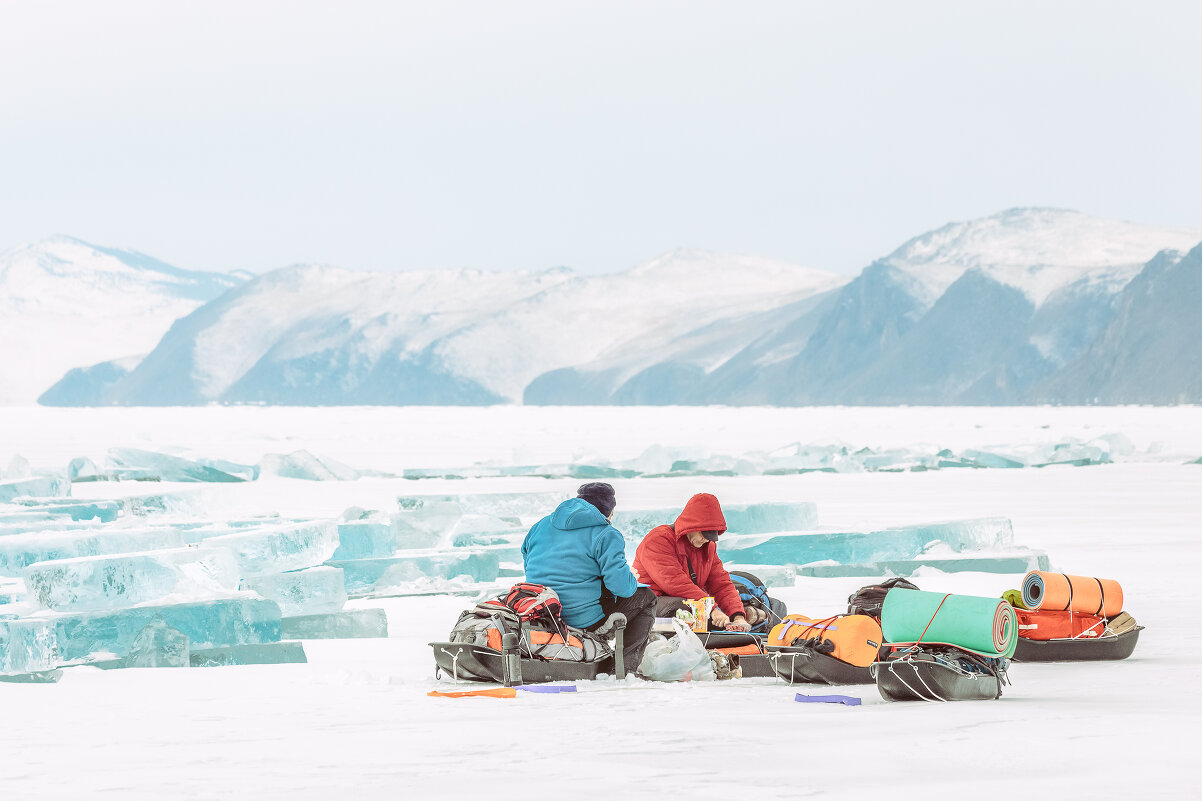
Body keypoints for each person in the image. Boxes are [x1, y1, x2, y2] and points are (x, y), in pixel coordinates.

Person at [521, 481, 657, 671]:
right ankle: (623, 668)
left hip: (541, 612)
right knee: (647, 598)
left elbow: (529, 563)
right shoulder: (605, 533)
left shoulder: (540, 526)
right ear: (609, 511)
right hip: (580, 619)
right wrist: (630, 577)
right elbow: (622, 587)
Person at [632, 492, 756, 632]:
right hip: (648, 602)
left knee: (709, 608)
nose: (707, 540)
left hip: (690, 600)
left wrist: (737, 616)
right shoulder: (658, 540)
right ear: (691, 527)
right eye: (704, 535)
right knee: (685, 608)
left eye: (711, 536)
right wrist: (711, 609)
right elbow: (675, 583)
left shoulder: (708, 546)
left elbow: (720, 583)